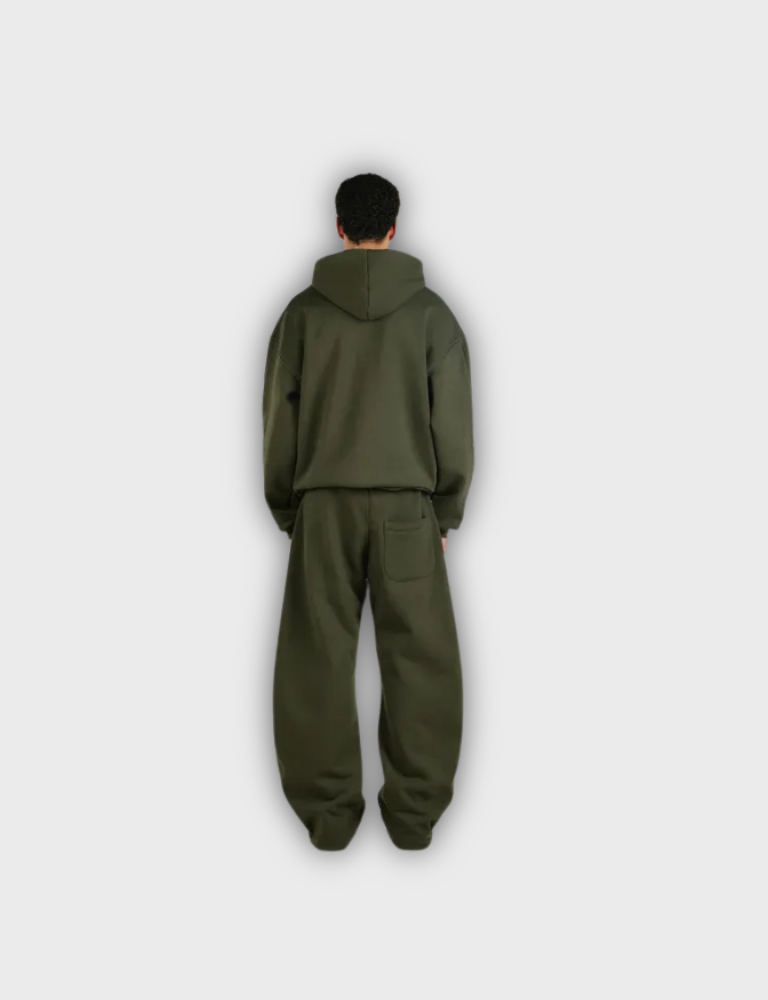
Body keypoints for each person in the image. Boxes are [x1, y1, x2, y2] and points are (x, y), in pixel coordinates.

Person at [262, 172, 474, 850]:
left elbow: (278, 424)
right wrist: (445, 510)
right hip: (409, 511)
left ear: (338, 227)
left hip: (323, 507)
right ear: (393, 227)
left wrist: (289, 508)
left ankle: (327, 819)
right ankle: (414, 818)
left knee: (315, 661)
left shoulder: (301, 316)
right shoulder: (433, 316)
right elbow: (453, 426)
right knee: (422, 661)